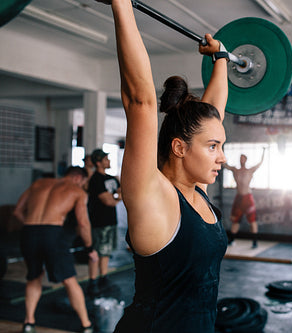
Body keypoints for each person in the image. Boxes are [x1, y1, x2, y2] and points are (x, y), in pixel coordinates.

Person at [94, 0, 228, 331]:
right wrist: (122, 5)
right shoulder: (154, 196)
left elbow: (211, 116)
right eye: (214, 148)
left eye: (220, 146)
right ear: (179, 148)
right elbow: (140, 102)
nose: (221, 157)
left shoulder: (198, 191)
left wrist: (221, 58)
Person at [12, 166, 98, 333]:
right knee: (69, 279)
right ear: (78, 178)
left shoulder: (38, 183)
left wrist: (34, 228)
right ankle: (86, 325)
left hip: (29, 232)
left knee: (34, 277)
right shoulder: (77, 191)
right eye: (83, 183)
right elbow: (83, 223)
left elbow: (17, 212)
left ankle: (29, 323)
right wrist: (89, 248)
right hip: (54, 233)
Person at [86, 148, 122, 295]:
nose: (109, 161)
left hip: (111, 220)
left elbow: (121, 192)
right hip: (99, 222)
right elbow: (109, 202)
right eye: (106, 159)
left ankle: (103, 278)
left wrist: (115, 196)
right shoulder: (95, 180)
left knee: (106, 252)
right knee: (96, 252)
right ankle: (92, 281)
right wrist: (116, 197)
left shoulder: (112, 178)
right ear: (99, 163)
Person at [224, 149, 265, 248]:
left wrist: (264, 151)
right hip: (239, 198)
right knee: (235, 220)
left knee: (252, 220)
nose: (241, 160)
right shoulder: (235, 170)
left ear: (246, 160)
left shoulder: (250, 170)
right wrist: (220, 150)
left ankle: (255, 242)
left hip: (248, 198)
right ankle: (232, 239)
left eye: (243, 159)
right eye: (240, 159)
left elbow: (260, 163)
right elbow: (224, 164)